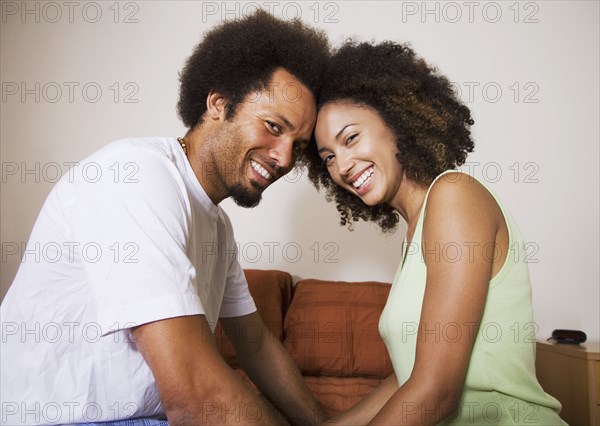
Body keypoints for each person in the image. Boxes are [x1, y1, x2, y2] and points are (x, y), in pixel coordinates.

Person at [0, 11, 330, 426]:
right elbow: (193, 397)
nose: (284, 158)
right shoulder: (135, 175)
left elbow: (257, 343)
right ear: (219, 103)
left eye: (297, 146)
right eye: (272, 126)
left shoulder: (217, 226)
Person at [302, 40, 566, 425]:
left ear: (396, 122)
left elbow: (436, 391)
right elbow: (409, 378)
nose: (341, 166)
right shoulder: (416, 232)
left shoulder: (454, 195)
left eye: (351, 138)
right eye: (327, 157)